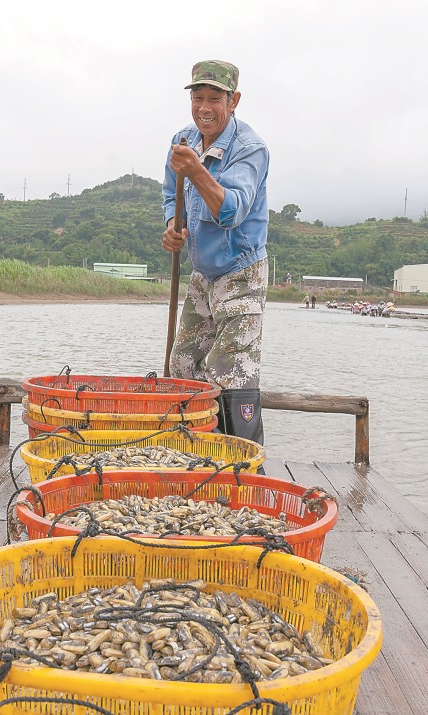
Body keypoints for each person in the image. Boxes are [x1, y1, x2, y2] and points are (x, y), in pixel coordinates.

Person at [162, 59, 269, 445]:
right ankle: (186, 451)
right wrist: (172, 228)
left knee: (229, 371)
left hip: (241, 272)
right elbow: (169, 196)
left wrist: (196, 172)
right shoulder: (183, 140)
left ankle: (238, 465)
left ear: (234, 100)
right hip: (201, 273)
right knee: (183, 365)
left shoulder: (250, 149)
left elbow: (231, 211)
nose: (204, 107)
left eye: (214, 99)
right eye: (198, 98)